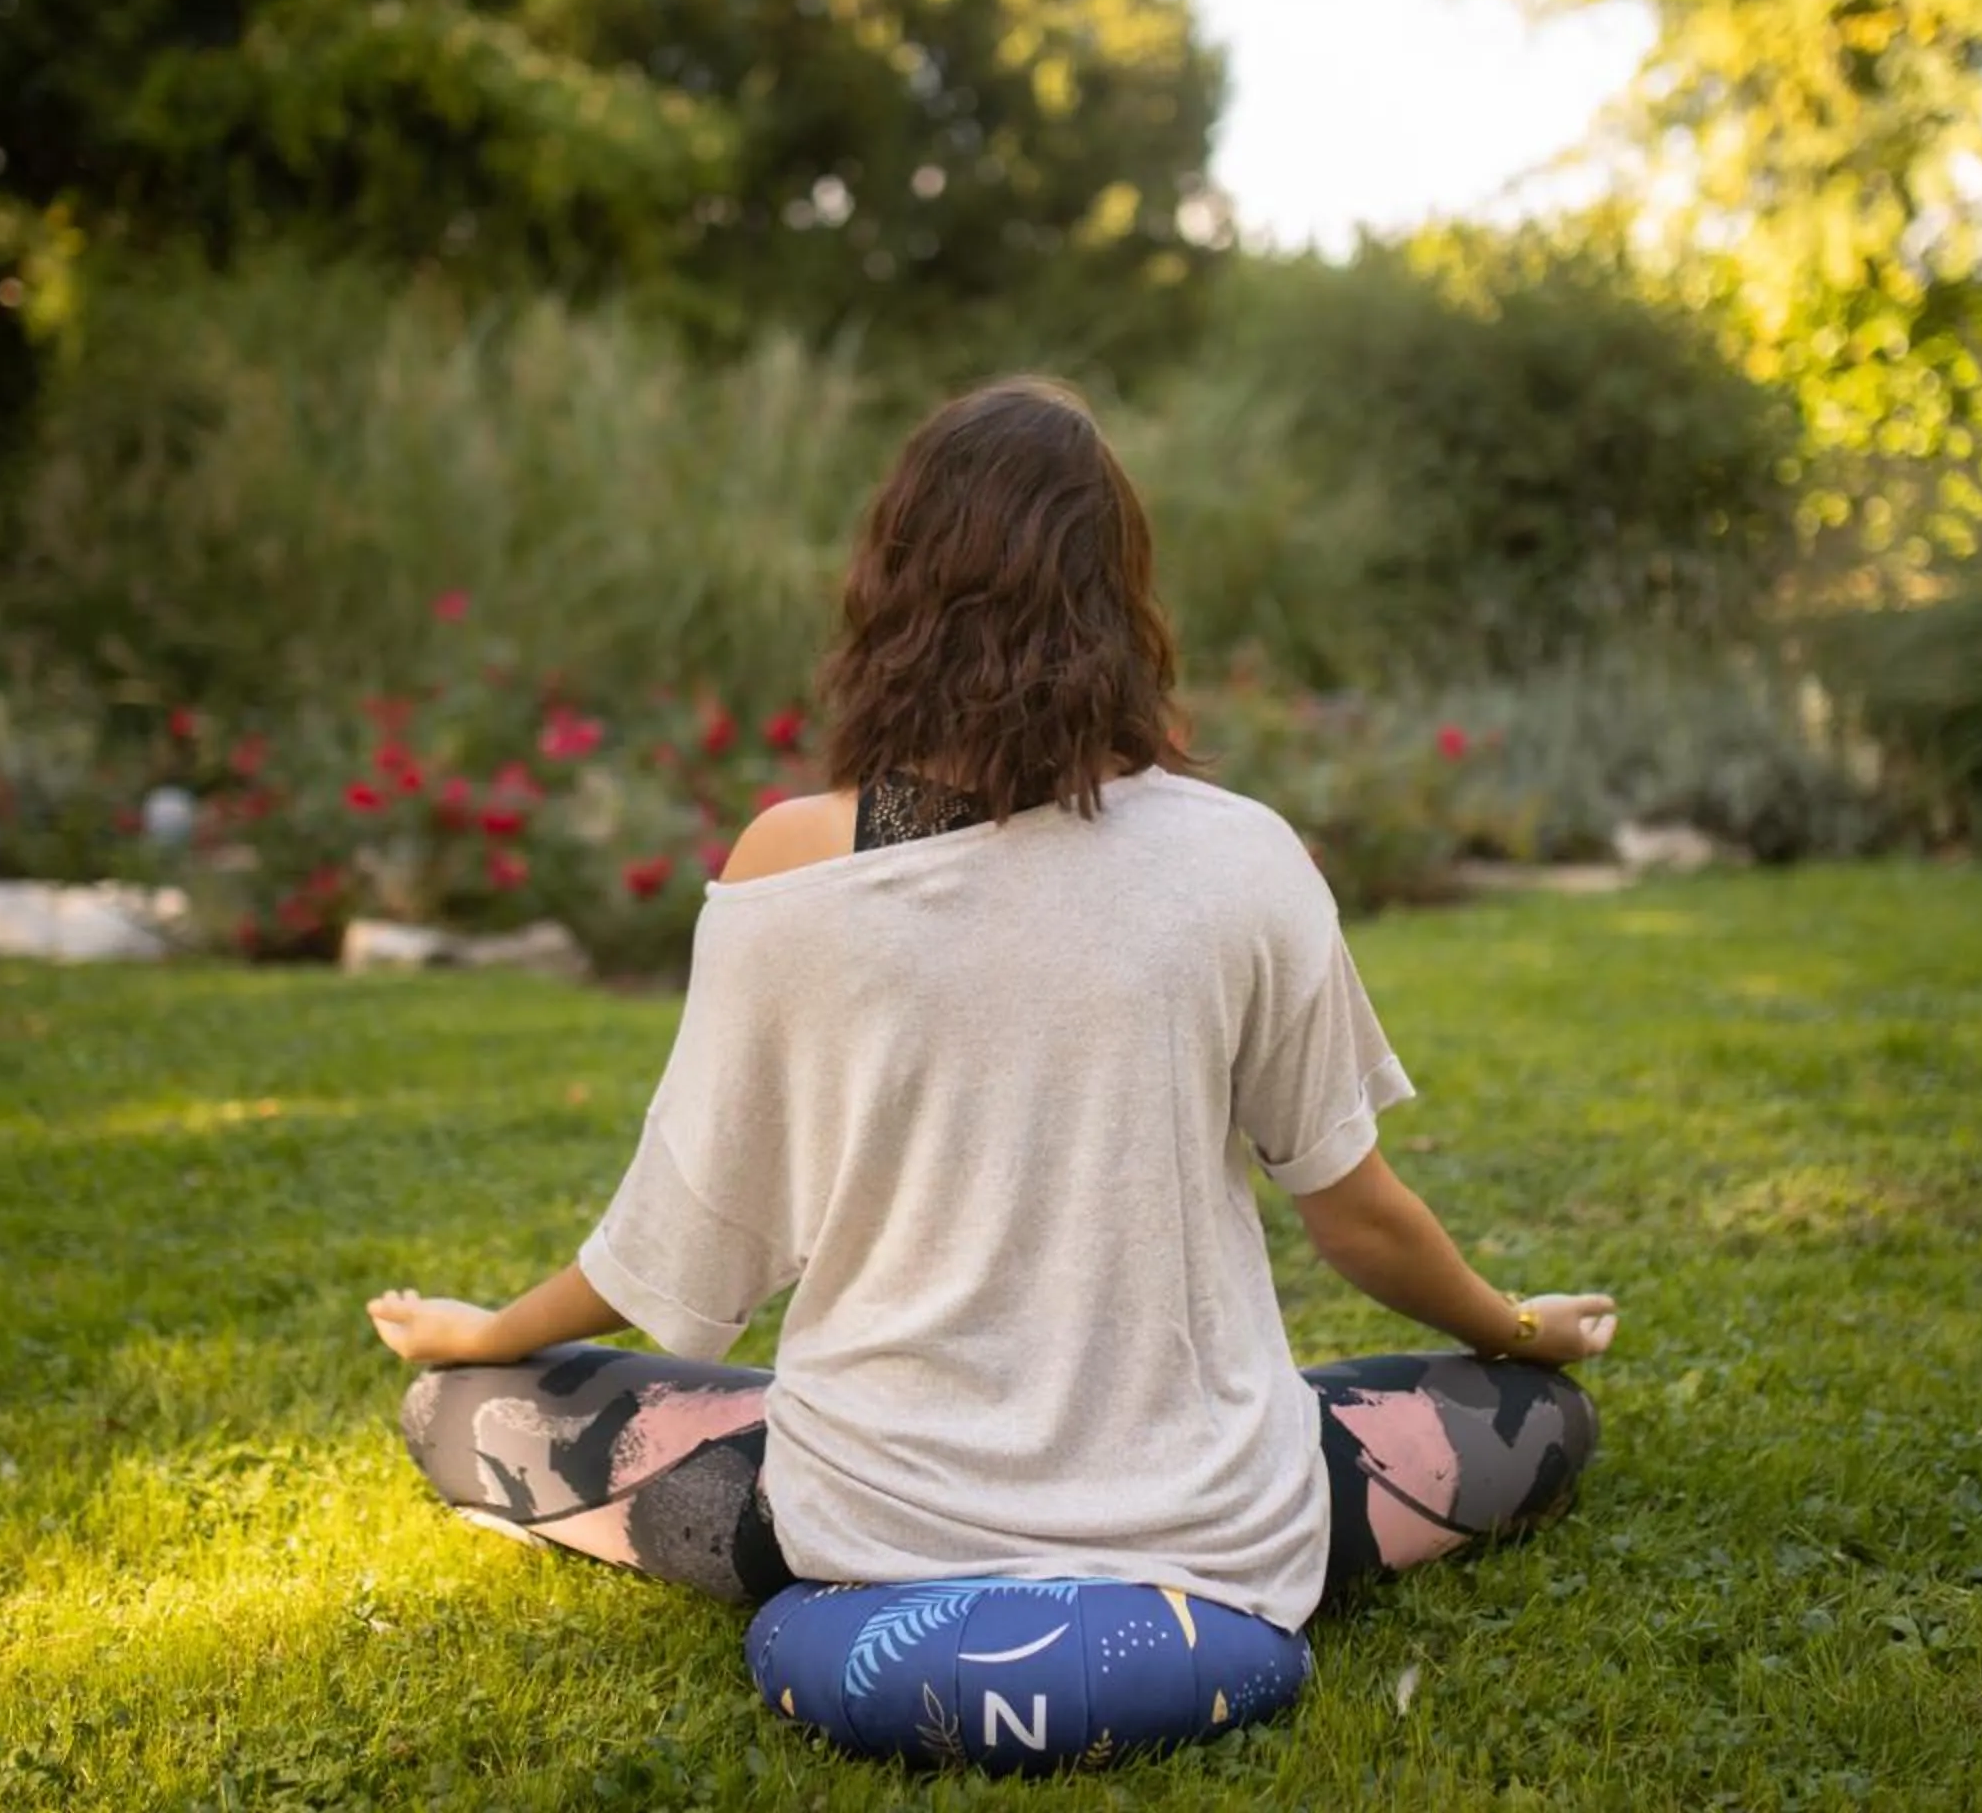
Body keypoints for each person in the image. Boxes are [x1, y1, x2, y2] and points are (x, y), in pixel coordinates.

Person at [368, 376, 1615, 1633]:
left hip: (865, 1519)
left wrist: (490, 1334)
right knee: (1543, 1417)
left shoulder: (793, 863)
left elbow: (682, 1234)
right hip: (1206, 1516)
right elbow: (1357, 1214)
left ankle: (871, 1535)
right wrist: (1519, 1327)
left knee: (460, 1412)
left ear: (892, 586)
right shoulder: (1246, 858)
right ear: (1123, 596)